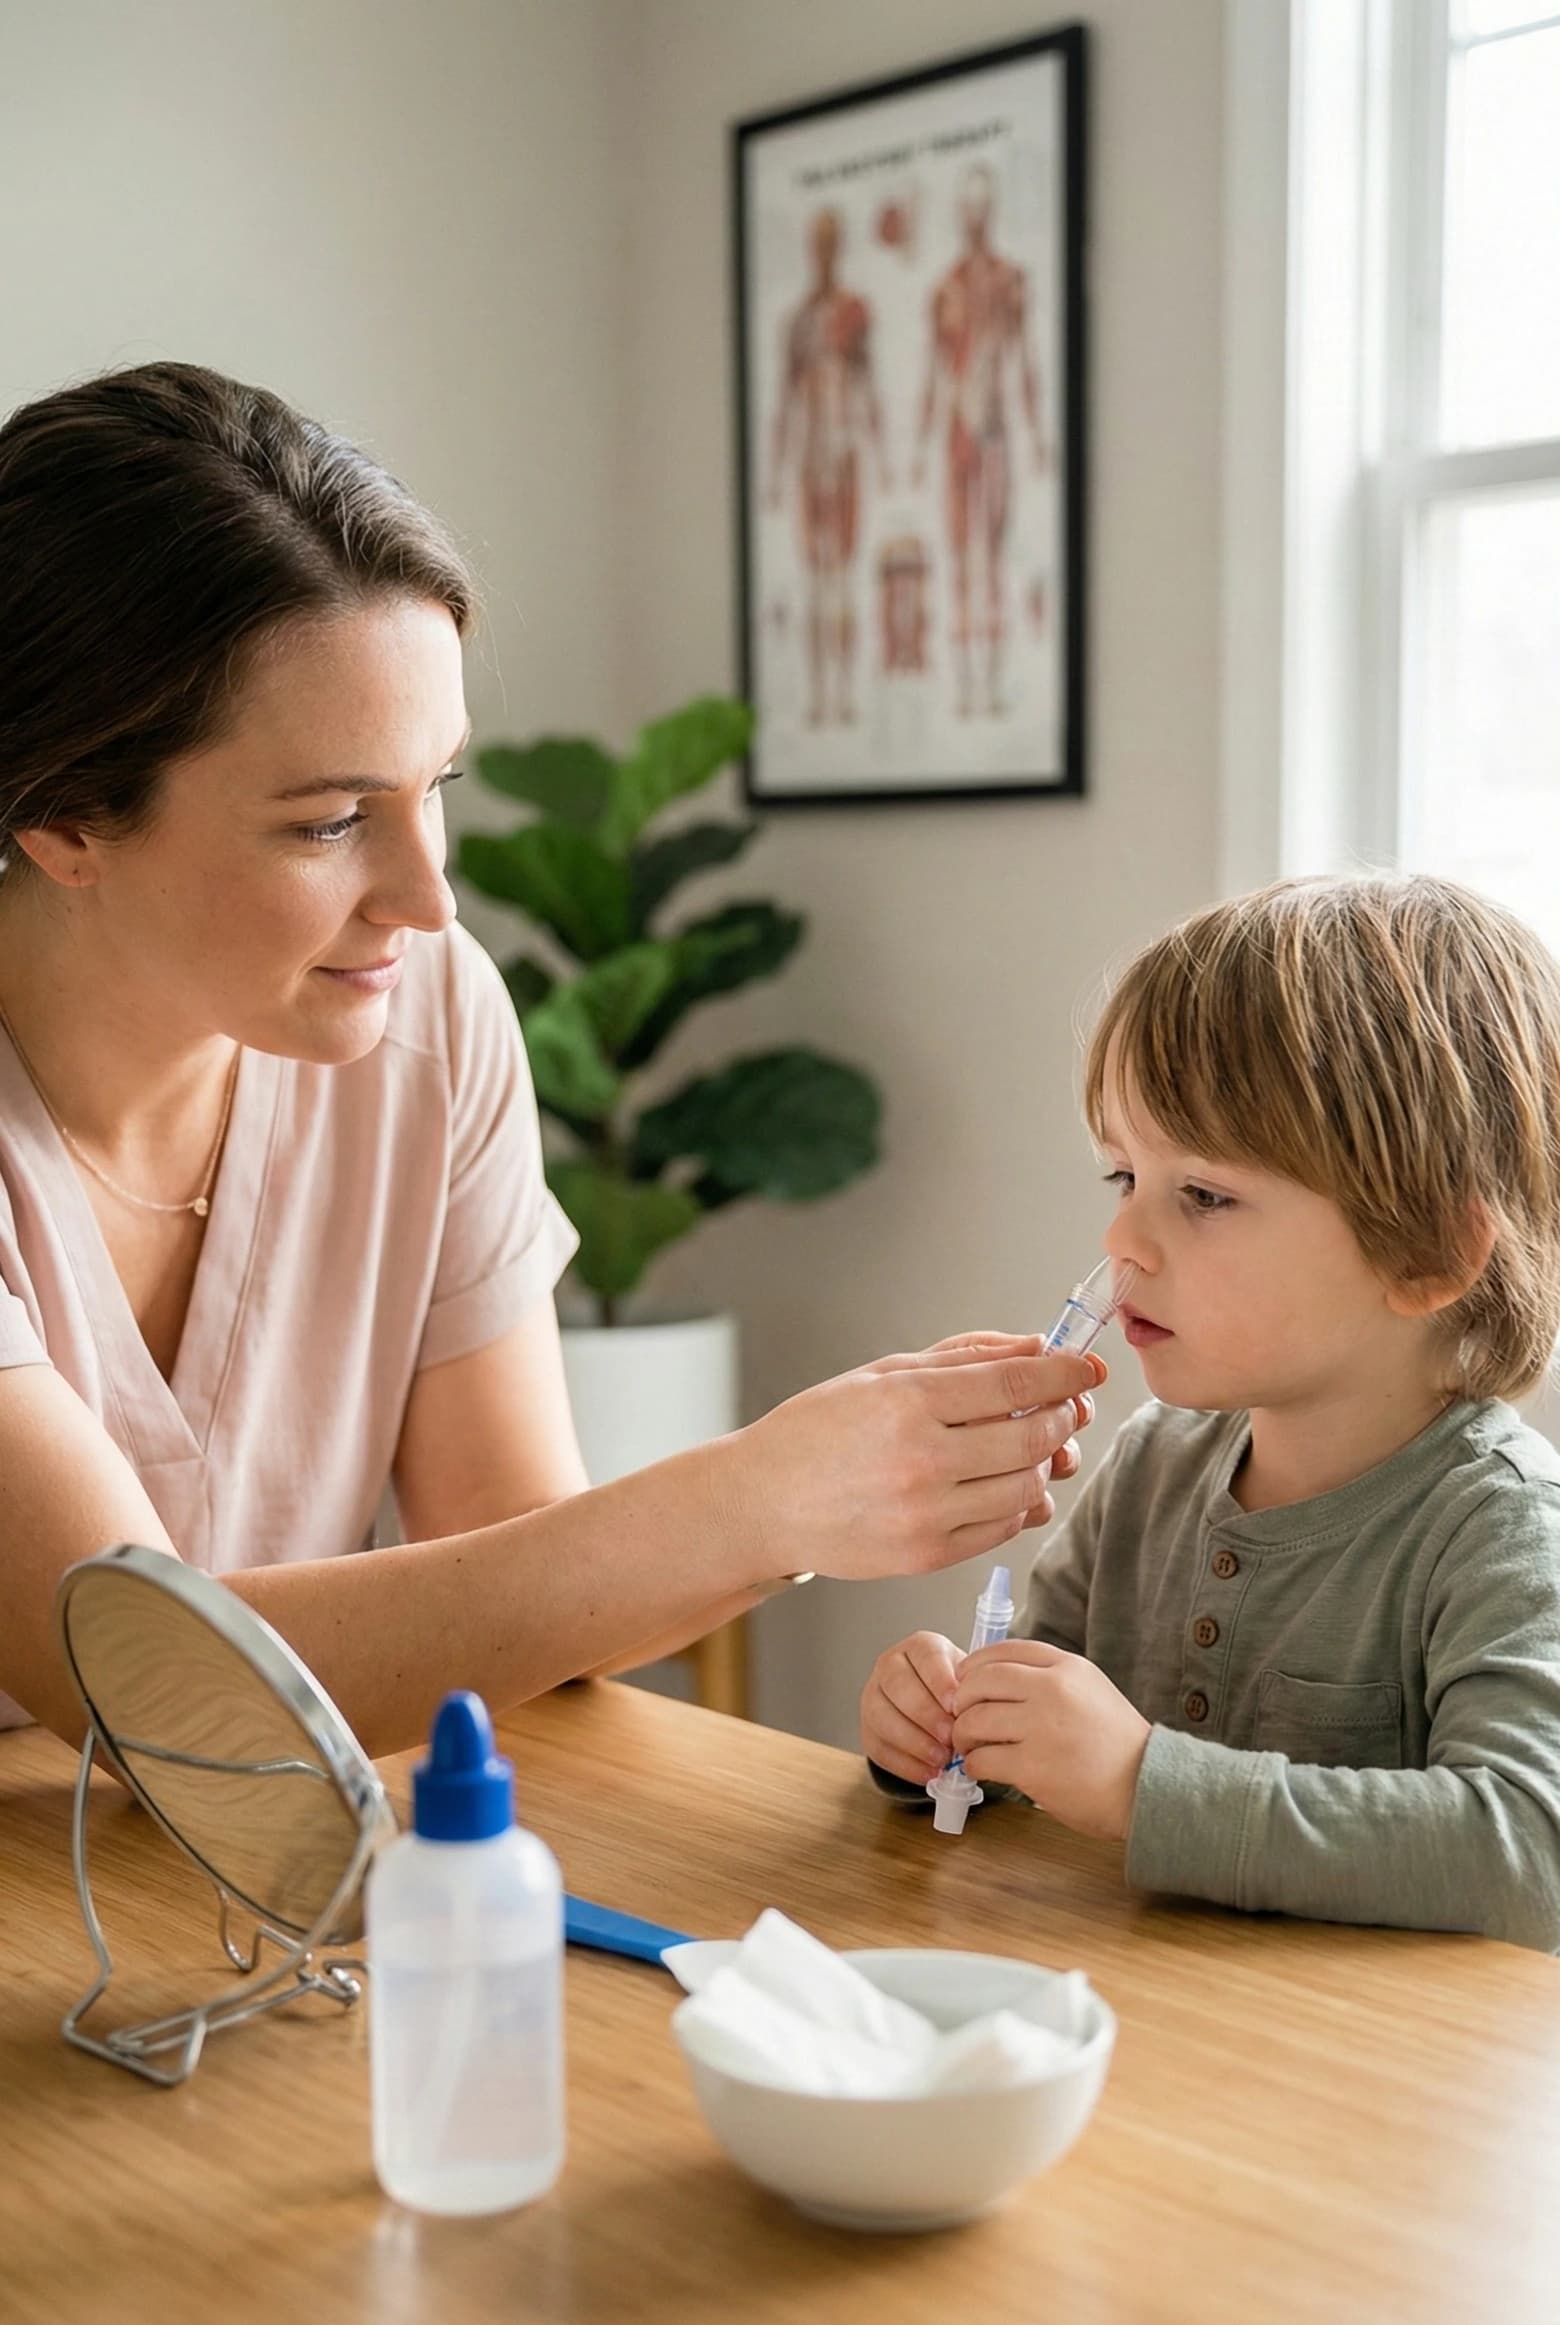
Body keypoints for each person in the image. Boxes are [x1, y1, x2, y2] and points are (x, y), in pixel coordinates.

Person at [0, 361, 1099, 1757]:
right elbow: (141, 1688)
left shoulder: (429, 1014)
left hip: (257, 1915)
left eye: (434, 789)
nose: (427, 896)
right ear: (64, 822)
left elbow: (520, 1562)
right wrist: (743, 1500)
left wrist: (819, 1491)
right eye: (332, 818)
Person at [862, 875, 1560, 1952]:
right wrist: (940, 1737)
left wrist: (1145, 1784)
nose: (1123, 1245)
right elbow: (1035, 1756)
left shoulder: (1501, 1534)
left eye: (1204, 1195)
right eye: (1123, 1176)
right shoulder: (1152, 1469)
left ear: (1425, 1254)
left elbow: (1527, 1854)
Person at [912, 162, 1048, 721]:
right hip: (958, 438)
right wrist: (918, 449)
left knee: (990, 558)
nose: (974, 217)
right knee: (959, 558)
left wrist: (1038, 437)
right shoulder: (944, 290)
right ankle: (965, 685)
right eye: (966, 207)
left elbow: (1025, 364)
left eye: (982, 206)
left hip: (995, 435)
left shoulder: (1010, 281)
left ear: (990, 211)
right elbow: (934, 375)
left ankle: (990, 683)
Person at [765, 209, 889, 727]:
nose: (824, 250)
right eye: (817, 241)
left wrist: (885, 460)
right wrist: (774, 472)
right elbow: (787, 403)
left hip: (845, 458)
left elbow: (867, 388)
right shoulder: (796, 323)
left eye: (832, 241)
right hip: (810, 464)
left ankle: (845, 693)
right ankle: (821, 696)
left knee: (842, 581)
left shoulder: (854, 313)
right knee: (817, 585)